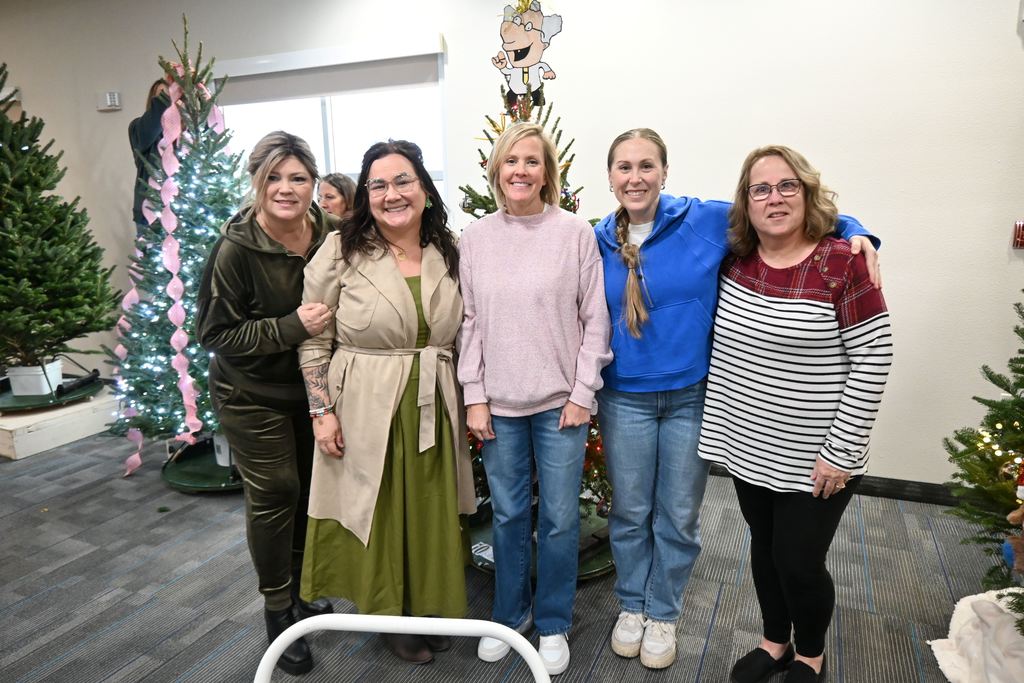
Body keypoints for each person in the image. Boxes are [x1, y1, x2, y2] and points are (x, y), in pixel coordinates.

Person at [593, 129, 881, 671]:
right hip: (625, 399)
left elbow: (791, 212)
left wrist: (861, 232)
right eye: (624, 167)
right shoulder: (593, 239)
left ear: (665, 171)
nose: (636, 178)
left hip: (689, 399)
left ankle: (664, 613)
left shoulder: (704, 221)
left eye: (647, 166)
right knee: (631, 513)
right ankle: (632, 605)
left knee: (678, 516)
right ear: (609, 176)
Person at [698, 145, 892, 683]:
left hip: (816, 458)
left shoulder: (841, 262)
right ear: (746, 201)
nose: (775, 198)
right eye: (761, 188)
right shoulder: (735, 260)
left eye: (788, 186)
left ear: (807, 193)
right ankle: (774, 641)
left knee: (799, 562)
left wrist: (842, 452)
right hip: (747, 447)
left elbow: (874, 355)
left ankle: (810, 653)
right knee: (764, 552)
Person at [298, 140, 475, 665]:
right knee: (375, 509)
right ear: (366, 194)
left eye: (403, 181)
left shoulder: (451, 248)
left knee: (426, 509)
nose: (391, 194)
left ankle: (425, 608)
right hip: (364, 402)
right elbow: (313, 339)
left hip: (434, 399)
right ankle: (387, 616)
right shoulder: (339, 251)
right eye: (378, 184)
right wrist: (321, 409)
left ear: (424, 188)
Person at [458, 122, 612, 676]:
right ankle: (509, 615)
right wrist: (474, 396)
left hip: (559, 406)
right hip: (497, 404)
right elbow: (469, 323)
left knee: (561, 521)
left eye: (531, 161)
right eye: (510, 161)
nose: (520, 170)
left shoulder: (574, 233)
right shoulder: (474, 238)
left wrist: (581, 393)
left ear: (548, 172)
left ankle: (552, 622)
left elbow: (596, 319)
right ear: (497, 171)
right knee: (507, 515)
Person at [196, 131, 337, 677]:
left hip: (313, 390)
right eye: (273, 178)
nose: (286, 188)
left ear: (313, 183)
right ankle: (278, 611)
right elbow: (215, 334)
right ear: (257, 183)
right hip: (251, 394)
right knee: (278, 490)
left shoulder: (329, 234)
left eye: (298, 177)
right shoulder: (235, 248)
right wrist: (287, 328)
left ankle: (300, 596)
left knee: (309, 491)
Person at [128, 78, 170, 232]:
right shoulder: (138, 127)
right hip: (150, 211)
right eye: (160, 95)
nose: (165, 98)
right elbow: (150, 129)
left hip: (184, 211)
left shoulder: (185, 132)